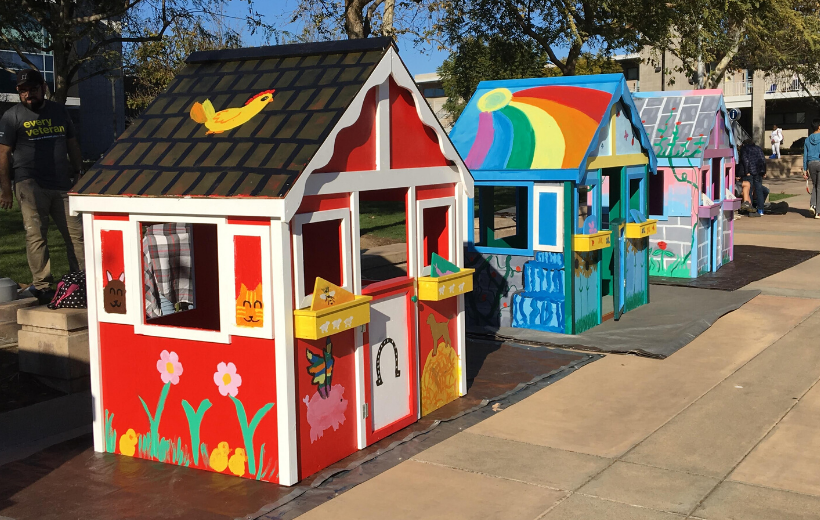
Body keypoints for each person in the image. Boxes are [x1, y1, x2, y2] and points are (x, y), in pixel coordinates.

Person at [0, 69, 85, 303]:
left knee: (76, 235)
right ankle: (43, 285)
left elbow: (72, 142)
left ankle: (81, 280)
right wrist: (6, 190)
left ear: (44, 88)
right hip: (29, 184)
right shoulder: (12, 117)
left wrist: (79, 172)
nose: (28, 94)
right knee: (36, 236)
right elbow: (3, 154)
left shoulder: (59, 111)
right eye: (23, 91)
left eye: (33, 89)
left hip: (62, 184)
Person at [741, 138, 767, 217]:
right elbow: (763, 160)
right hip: (759, 172)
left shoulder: (745, 149)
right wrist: (764, 171)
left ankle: (751, 209)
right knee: (759, 190)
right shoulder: (758, 149)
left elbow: (745, 161)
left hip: (750, 172)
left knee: (749, 191)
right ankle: (761, 209)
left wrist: (746, 171)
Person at [803, 118, 820, 218]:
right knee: (819, 187)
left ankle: (813, 205)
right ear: (819, 127)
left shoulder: (807, 139)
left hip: (811, 164)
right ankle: (818, 212)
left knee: (815, 186)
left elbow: (805, 155)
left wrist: (805, 169)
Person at [736, 141, 754, 213]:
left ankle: (748, 204)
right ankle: (749, 205)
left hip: (742, 175)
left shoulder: (744, 152)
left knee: (747, 188)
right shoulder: (750, 151)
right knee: (747, 188)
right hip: (746, 174)